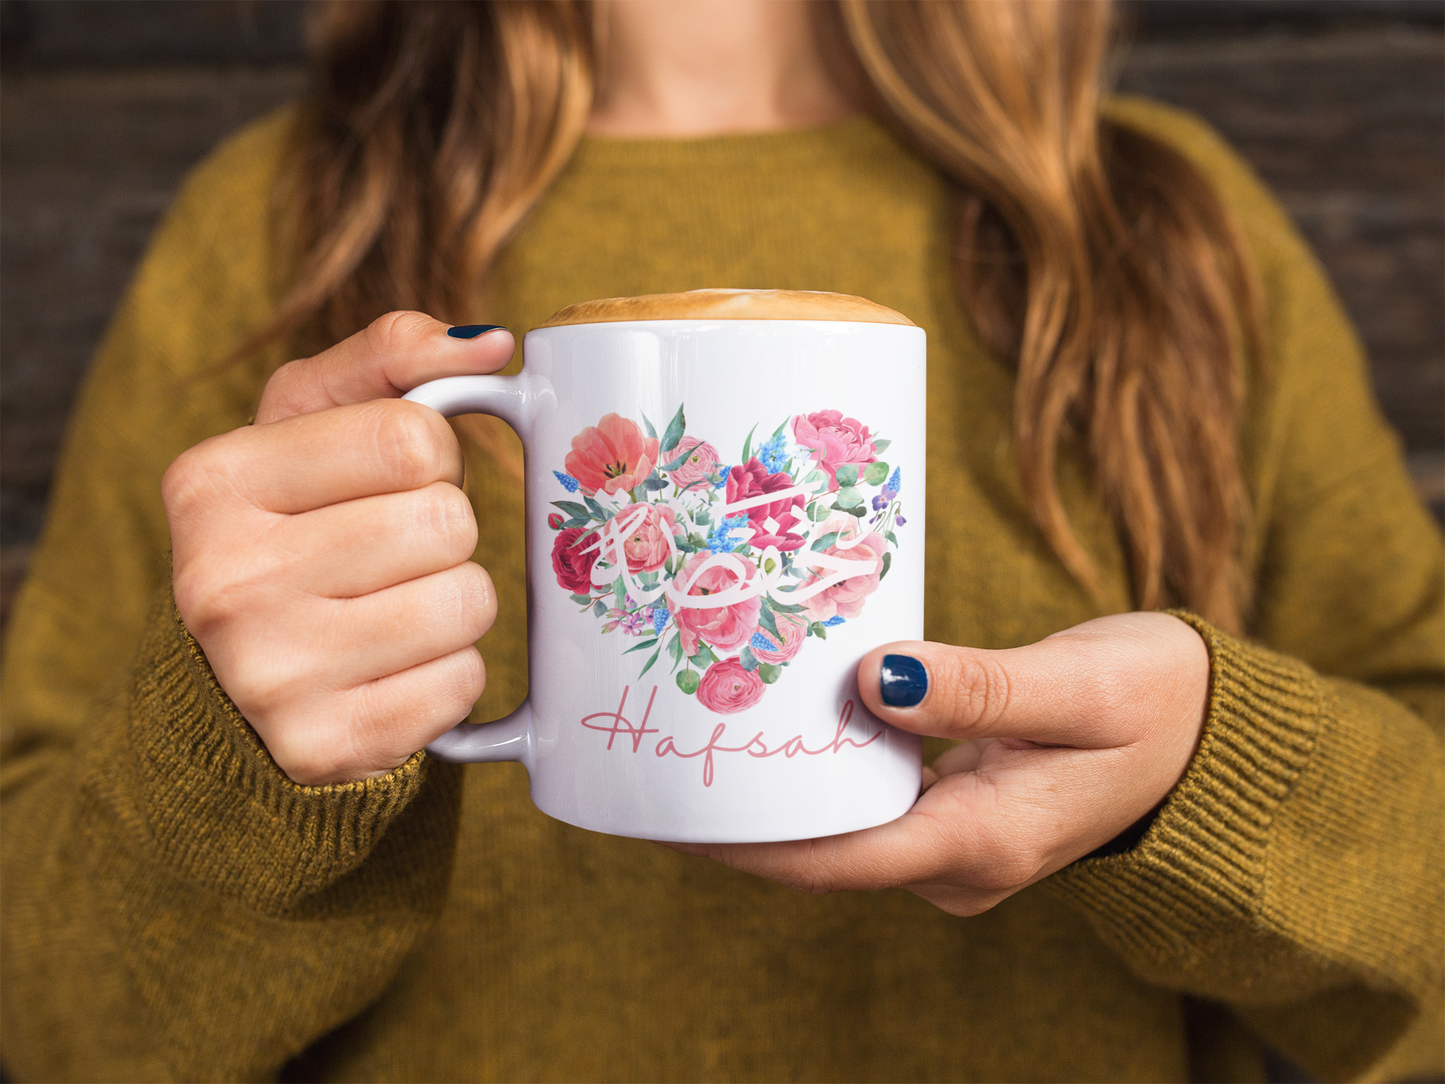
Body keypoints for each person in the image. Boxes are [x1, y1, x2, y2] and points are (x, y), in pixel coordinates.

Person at [2, 1, 1440, 1080]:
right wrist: (237, 768)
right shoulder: (277, 225)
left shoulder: (1160, 232)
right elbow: (47, 1023)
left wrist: (1217, 779)